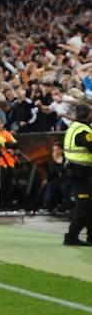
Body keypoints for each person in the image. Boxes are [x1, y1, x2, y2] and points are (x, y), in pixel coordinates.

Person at [62, 103, 92, 247]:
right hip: (81, 172)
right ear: (87, 114)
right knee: (84, 206)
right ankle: (71, 236)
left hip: (78, 171)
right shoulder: (83, 131)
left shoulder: (75, 127)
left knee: (89, 205)